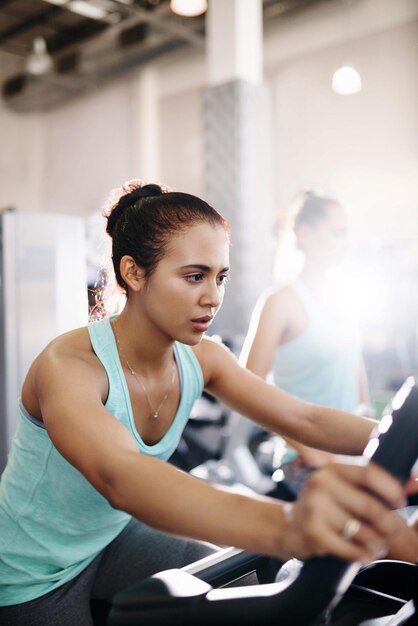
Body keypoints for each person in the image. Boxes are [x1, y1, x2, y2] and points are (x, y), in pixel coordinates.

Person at [0, 181, 416, 626]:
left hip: (113, 536)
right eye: (194, 276)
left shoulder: (202, 357)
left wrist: (399, 442)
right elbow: (119, 477)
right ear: (135, 273)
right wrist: (290, 525)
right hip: (35, 570)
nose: (213, 297)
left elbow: (305, 418)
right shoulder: (70, 365)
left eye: (220, 277)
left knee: (237, 587)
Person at [241, 191, 373, 496]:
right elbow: (246, 388)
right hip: (305, 463)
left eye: (347, 232)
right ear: (305, 234)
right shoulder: (279, 302)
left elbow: (358, 380)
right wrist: (307, 449)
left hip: (353, 459)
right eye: (338, 232)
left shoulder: (347, 300)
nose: (347, 242)